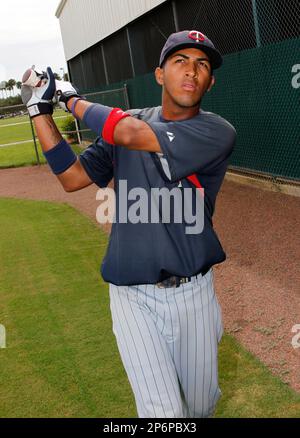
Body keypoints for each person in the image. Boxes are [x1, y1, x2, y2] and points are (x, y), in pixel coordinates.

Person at [21, 30, 236, 418]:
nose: (191, 71)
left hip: (194, 295)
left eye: (202, 65)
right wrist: (40, 112)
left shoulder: (216, 131)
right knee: (163, 416)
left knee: (200, 408)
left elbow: (127, 132)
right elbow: (71, 178)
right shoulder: (127, 123)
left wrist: (69, 98)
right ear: (159, 75)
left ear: (211, 81)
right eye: (180, 61)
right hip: (132, 297)